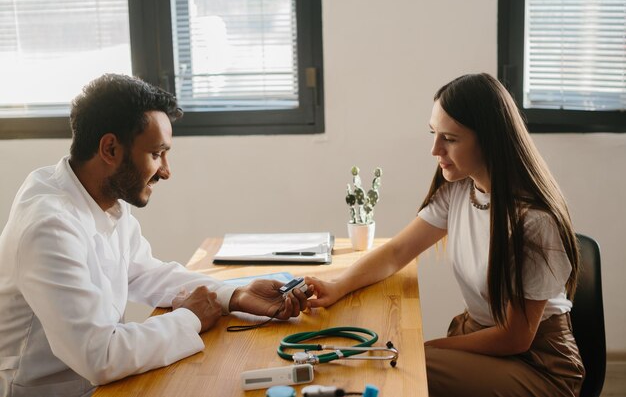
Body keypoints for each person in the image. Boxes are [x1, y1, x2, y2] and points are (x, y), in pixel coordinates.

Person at [0, 74, 308, 397]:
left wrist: (234, 295)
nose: (166, 170)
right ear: (110, 148)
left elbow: (146, 273)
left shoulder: (104, 197)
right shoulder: (48, 227)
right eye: (157, 154)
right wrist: (190, 317)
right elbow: (101, 355)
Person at [305, 73, 585, 397]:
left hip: (538, 364)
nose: (434, 149)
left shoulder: (534, 223)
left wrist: (428, 347)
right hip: (487, 341)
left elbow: (515, 338)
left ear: (490, 140)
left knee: (407, 368)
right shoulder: (460, 190)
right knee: (396, 360)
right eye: (433, 133)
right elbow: (398, 252)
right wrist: (336, 287)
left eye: (449, 139)